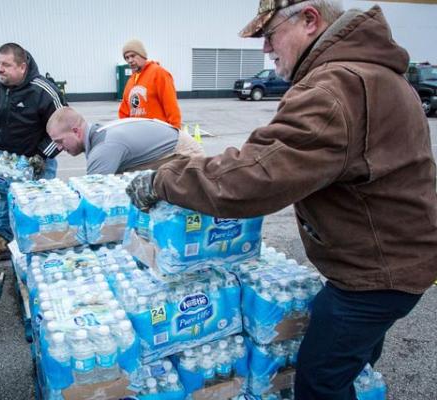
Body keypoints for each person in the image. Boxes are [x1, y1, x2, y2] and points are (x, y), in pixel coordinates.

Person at [126, 1, 437, 399]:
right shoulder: (375, 74)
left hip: (375, 277)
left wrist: (165, 179)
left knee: (320, 381)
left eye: (269, 34)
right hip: (396, 260)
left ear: (309, 20)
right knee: (351, 360)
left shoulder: (334, 88)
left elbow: (255, 177)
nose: (265, 49)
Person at [0, 42, 66, 261]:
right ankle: (1, 242)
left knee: (39, 204)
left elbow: (63, 128)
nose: (0, 69)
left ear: (22, 67)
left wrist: (42, 154)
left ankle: (42, 247)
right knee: (4, 199)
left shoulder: (44, 90)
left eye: (7, 65)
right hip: (5, 161)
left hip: (36, 160)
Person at [46, 107, 204, 175]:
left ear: (76, 131)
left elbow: (94, 196)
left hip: (184, 153)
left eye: (60, 141)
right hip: (173, 143)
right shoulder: (98, 134)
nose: (59, 148)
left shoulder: (103, 149)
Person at [119, 39, 182, 129]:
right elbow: (124, 112)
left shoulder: (158, 73)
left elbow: (171, 106)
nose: (130, 60)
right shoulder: (130, 81)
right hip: (138, 135)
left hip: (159, 133)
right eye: (127, 58)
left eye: (133, 56)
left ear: (142, 55)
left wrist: (175, 130)